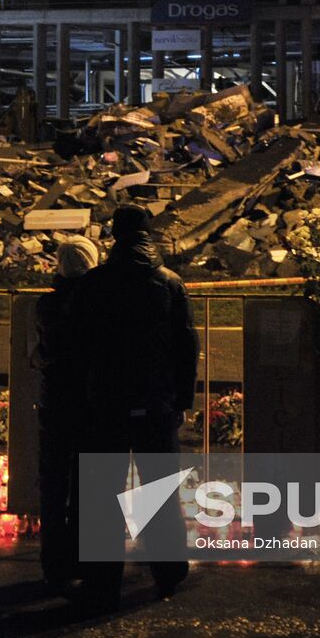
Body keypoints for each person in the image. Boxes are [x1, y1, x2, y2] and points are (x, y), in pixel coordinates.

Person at [71, 205, 198, 610]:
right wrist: (182, 399)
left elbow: (79, 346)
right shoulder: (168, 283)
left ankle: (102, 579)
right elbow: (187, 346)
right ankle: (168, 570)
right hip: (156, 402)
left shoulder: (94, 284)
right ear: (149, 236)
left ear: (114, 236)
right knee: (158, 491)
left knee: (102, 494)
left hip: (106, 401)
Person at [32, 235, 98, 591]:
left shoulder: (48, 305)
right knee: (88, 484)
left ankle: (54, 561)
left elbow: (45, 353)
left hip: (56, 402)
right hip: (90, 404)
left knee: (54, 483)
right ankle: (85, 559)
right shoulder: (102, 306)